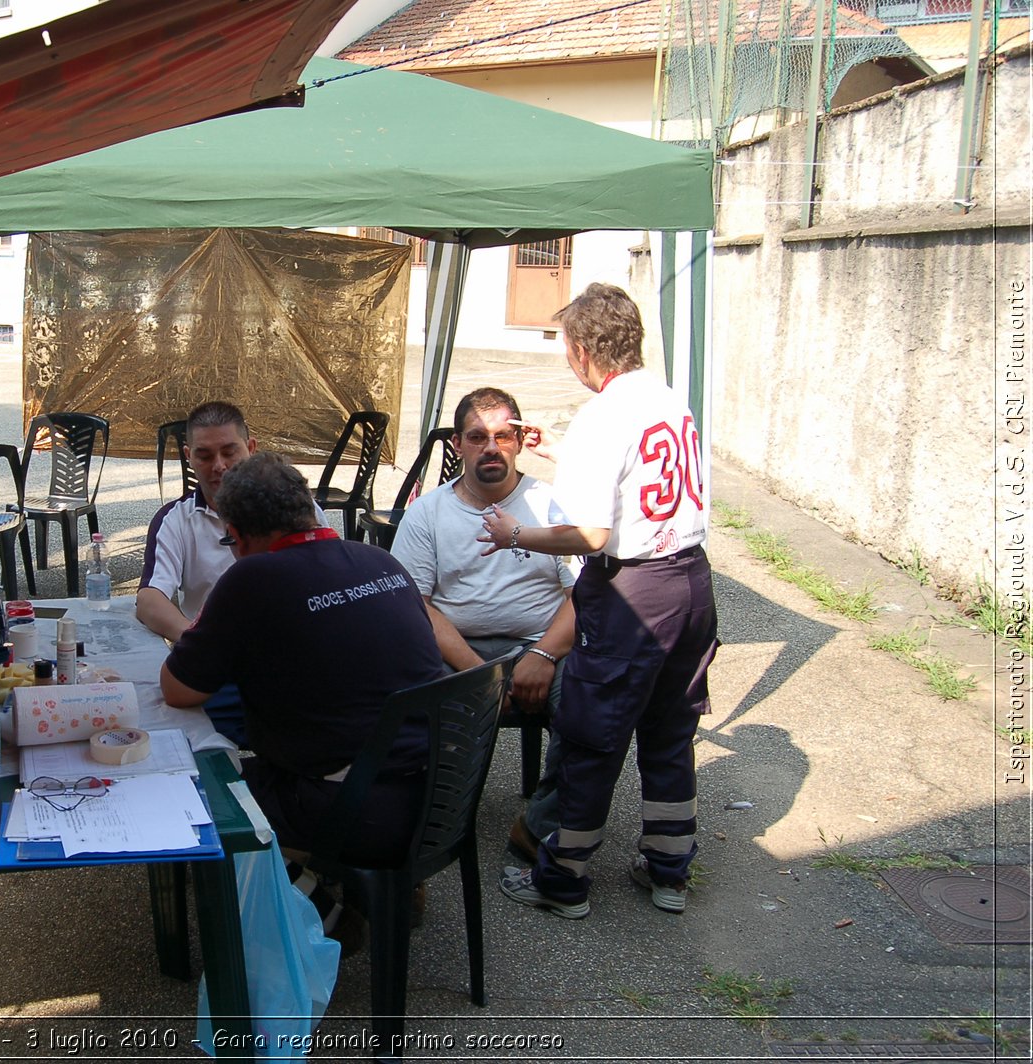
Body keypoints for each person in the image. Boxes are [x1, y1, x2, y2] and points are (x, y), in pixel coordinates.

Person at [479, 282, 718, 919]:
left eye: (565, 348)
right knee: (670, 733)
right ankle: (669, 870)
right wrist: (562, 450)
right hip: (691, 581)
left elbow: (591, 534)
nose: (566, 360)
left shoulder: (603, 416)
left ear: (584, 351)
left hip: (633, 592)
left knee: (591, 735)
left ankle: (563, 880)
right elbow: (643, 478)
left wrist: (515, 534)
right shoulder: (667, 401)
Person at [160, 452, 445, 866]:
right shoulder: (380, 561)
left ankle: (307, 893)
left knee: (188, 786)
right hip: (439, 794)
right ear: (306, 508)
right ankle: (362, 893)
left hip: (349, 808)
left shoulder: (250, 579)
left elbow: (177, 690)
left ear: (236, 535)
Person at [388, 386, 576, 860]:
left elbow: (584, 596)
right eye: (477, 437)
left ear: (520, 440)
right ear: (458, 445)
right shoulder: (427, 513)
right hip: (458, 652)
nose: (490, 447)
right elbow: (416, 607)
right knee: (405, 710)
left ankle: (541, 828)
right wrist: (484, 674)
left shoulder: (552, 503)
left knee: (592, 712)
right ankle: (424, 834)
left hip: (543, 648)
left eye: (502, 435)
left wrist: (542, 655)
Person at [137, 401, 259, 642]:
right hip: (212, 650)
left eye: (229, 452)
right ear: (188, 456)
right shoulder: (175, 520)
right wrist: (199, 641)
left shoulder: (290, 509)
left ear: (251, 448)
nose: (218, 466)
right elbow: (149, 599)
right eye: (204, 455)